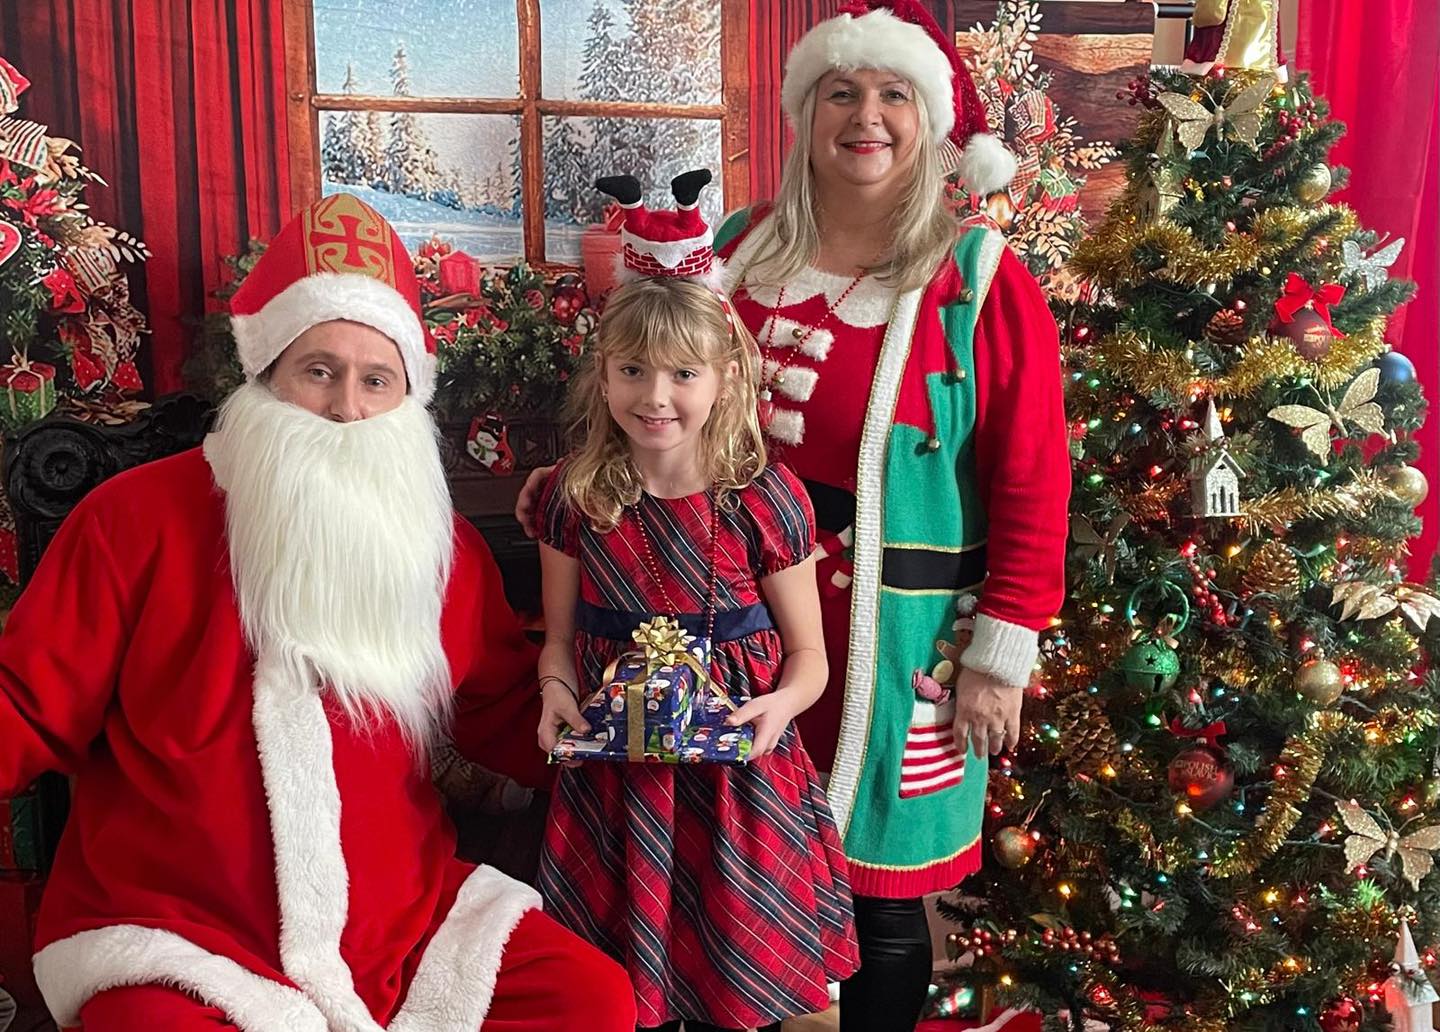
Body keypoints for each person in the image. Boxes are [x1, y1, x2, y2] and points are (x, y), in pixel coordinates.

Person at [520, 3, 1070, 1028]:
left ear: (930, 120)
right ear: (804, 115)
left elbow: (1034, 477)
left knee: (876, 888)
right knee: (730, 878)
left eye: (893, 94)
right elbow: (654, 387)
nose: (866, 116)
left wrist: (1002, 650)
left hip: (888, 637)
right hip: (722, 627)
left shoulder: (977, 280)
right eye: (841, 93)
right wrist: (575, 479)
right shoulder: (739, 248)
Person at [0, 194, 636, 1032]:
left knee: (591, 1000)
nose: (347, 408)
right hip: (178, 931)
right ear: (266, 374)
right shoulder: (133, 519)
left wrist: (626, 727)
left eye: (377, 380)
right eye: (319, 371)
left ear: (407, 395)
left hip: (399, 925)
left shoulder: (437, 545)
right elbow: (26, 702)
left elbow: (507, 709)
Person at [532, 171, 859, 1032]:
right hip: (617, 784)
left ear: (726, 376)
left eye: (683, 372)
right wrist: (555, 693)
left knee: (737, 985)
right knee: (618, 991)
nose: (655, 396)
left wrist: (778, 710)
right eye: (632, 370)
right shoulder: (576, 497)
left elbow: (809, 658)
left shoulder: (765, 499)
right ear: (604, 375)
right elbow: (558, 642)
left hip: (738, 784)